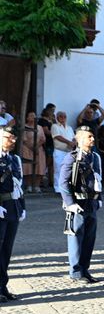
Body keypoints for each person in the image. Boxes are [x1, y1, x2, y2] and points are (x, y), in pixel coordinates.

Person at [59, 126, 103, 284]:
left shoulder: (95, 157)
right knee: (76, 238)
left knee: (89, 238)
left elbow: (98, 179)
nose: (92, 139)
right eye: (89, 136)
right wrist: (70, 203)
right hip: (78, 202)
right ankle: (76, 271)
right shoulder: (72, 157)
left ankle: (85, 269)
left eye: (93, 136)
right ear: (79, 139)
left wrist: (99, 198)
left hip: (91, 202)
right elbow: (63, 182)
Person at [0, 126, 25, 302]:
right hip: (1, 207)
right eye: (9, 137)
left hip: (12, 208)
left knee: (6, 250)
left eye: (14, 137)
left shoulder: (15, 159)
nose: (13, 140)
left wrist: (22, 207)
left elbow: (19, 186)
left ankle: (3, 286)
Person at [21, 112, 46, 193]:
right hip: (27, 149)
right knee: (28, 168)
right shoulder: (24, 127)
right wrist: (32, 148)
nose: (33, 118)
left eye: (34, 116)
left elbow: (43, 139)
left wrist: (36, 147)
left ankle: (37, 186)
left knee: (39, 167)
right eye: (31, 116)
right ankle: (29, 186)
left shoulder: (39, 127)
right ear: (27, 118)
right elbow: (24, 140)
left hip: (38, 149)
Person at [52, 111, 76, 193]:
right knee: (58, 169)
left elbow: (73, 137)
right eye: (61, 116)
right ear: (57, 118)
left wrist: (73, 142)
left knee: (68, 169)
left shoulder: (69, 127)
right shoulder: (55, 126)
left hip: (69, 151)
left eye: (64, 116)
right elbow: (57, 136)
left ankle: (66, 187)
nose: (63, 118)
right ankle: (57, 188)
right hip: (59, 151)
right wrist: (68, 142)